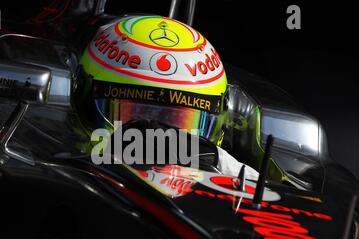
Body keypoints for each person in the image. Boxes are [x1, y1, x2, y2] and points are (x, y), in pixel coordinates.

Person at [75, 15, 259, 180]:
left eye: (177, 120)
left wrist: (222, 165)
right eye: (135, 113)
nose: (155, 140)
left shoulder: (230, 169)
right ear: (82, 99)